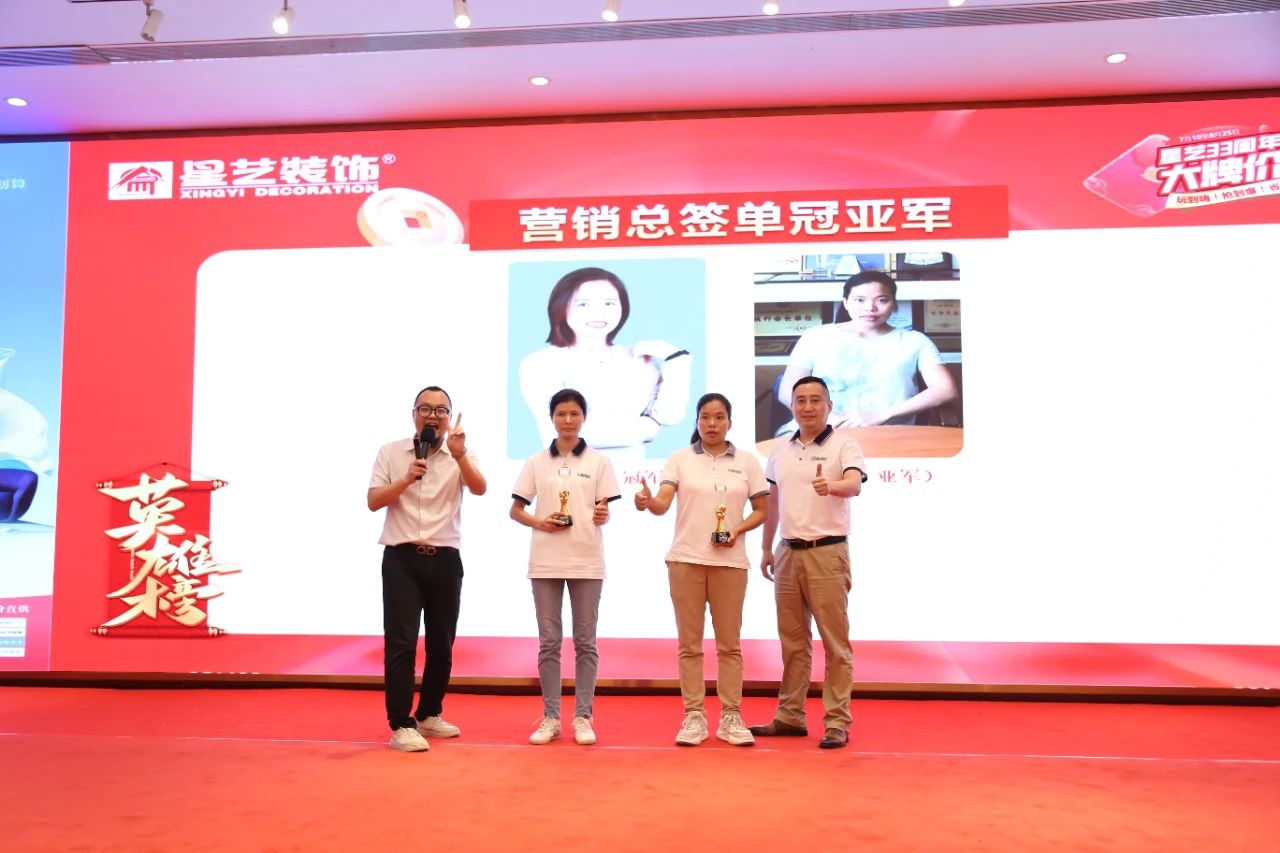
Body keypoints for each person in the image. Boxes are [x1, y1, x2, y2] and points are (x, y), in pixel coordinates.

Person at [634, 392, 768, 747]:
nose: (712, 423)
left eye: (719, 417)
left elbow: (762, 510)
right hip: (685, 561)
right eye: (705, 417)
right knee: (689, 645)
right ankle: (694, 716)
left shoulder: (747, 462)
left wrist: (736, 530)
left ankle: (731, 716)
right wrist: (647, 502)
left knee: (730, 646)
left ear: (729, 422)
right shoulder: (679, 459)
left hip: (730, 564)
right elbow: (662, 504)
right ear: (697, 421)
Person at [367, 386, 487, 752]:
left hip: (445, 558)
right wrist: (406, 478)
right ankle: (401, 724)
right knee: (401, 643)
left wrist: (460, 455)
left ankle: (429, 713)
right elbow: (373, 501)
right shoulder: (391, 452)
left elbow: (480, 488)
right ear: (414, 414)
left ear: (449, 418)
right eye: (425, 409)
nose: (432, 416)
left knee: (442, 643)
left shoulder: (459, 454)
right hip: (401, 558)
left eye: (440, 410)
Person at [751, 376, 866, 750]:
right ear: (792, 406)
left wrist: (830, 486)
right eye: (800, 400)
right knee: (793, 642)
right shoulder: (780, 449)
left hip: (827, 552)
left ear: (829, 406)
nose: (808, 406)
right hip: (787, 552)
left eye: (816, 400)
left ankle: (837, 722)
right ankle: (790, 716)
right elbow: (773, 502)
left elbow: (854, 485)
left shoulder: (844, 445)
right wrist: (767, 547)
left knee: (835, 643)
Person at [510, 388, 621, 746]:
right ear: (552, 418)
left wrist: (603, 513)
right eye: (561, 414)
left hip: (587, 560)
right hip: (546, 561)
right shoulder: (536, 461)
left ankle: (583, 717)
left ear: (584, 417)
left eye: (574, 413)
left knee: (586, 642)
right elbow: (516, 510)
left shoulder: (599, 462)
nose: (568, 420)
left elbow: (603, 509)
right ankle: (551, 717)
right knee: (549, 643)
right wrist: (540, 522)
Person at [518, 267, 693, 467]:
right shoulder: (540, 363)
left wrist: (675, 358)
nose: (598, 313)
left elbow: (670, 416)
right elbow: (566, 432)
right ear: (561, 307)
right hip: (568, 475)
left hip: (632, 474)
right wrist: (649, 429)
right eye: (583, 304)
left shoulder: (639, 359)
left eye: (609, 303)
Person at [776, 270, 957, 431]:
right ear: (846, 303)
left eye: (882, 300)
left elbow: (946, 389)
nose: (870, 308)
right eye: (859, 300)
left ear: (894, 304)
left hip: (888, 433)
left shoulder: (915, 341)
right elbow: (788, 390)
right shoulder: (815, 336)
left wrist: (883, 414)